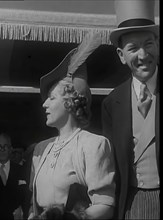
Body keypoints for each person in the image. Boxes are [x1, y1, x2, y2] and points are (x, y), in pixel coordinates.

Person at [28, 35, 116, 220]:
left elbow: (105, 205)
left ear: (70, 103)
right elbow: (33, 204)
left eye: (52, 98)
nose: (44, 104)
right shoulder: (41, 149)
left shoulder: (94, 145)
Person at [101, 0, 160, 219]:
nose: (143, 55)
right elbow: (111, 165)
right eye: (133, 48)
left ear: (158, 44)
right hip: (130, 203)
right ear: (120, 55)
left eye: (149, 44)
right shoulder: (111, 103)